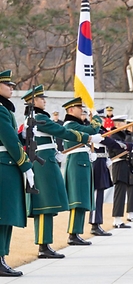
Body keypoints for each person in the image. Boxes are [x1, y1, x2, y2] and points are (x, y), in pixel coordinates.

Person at [22, 86, 102, 258]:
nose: (44, 100)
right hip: (43, 165)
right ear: (33, 101)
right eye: (41, 98)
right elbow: (62, 132)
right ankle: (43, 246)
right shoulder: (40, 117)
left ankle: (45, 245)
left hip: (45, 161)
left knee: (47, 205)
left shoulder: (37, 117)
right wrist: (87, 138)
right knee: (44, 205)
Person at [61, 99, 133, 245]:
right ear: (70, 110)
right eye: (79, 108)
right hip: (78, 162)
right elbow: (93, 131)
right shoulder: (71, 125)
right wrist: (96, 118)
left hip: (85, 161)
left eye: (83, 109)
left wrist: (129, 146)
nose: (82, 111)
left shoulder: (78, 125)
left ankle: (77, 233)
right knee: (78, 200)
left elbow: (103, 137)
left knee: (83, 200)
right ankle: (75, 233)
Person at [0, 70, 34, 277]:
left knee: (6, 215)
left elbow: (14, 137)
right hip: (4, 164)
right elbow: (9, 141)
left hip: (7, 164)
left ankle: (2, 257)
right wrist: (26, 165)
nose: (12, 88)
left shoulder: (5, 110)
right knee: (3, 214)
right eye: (8, 85)